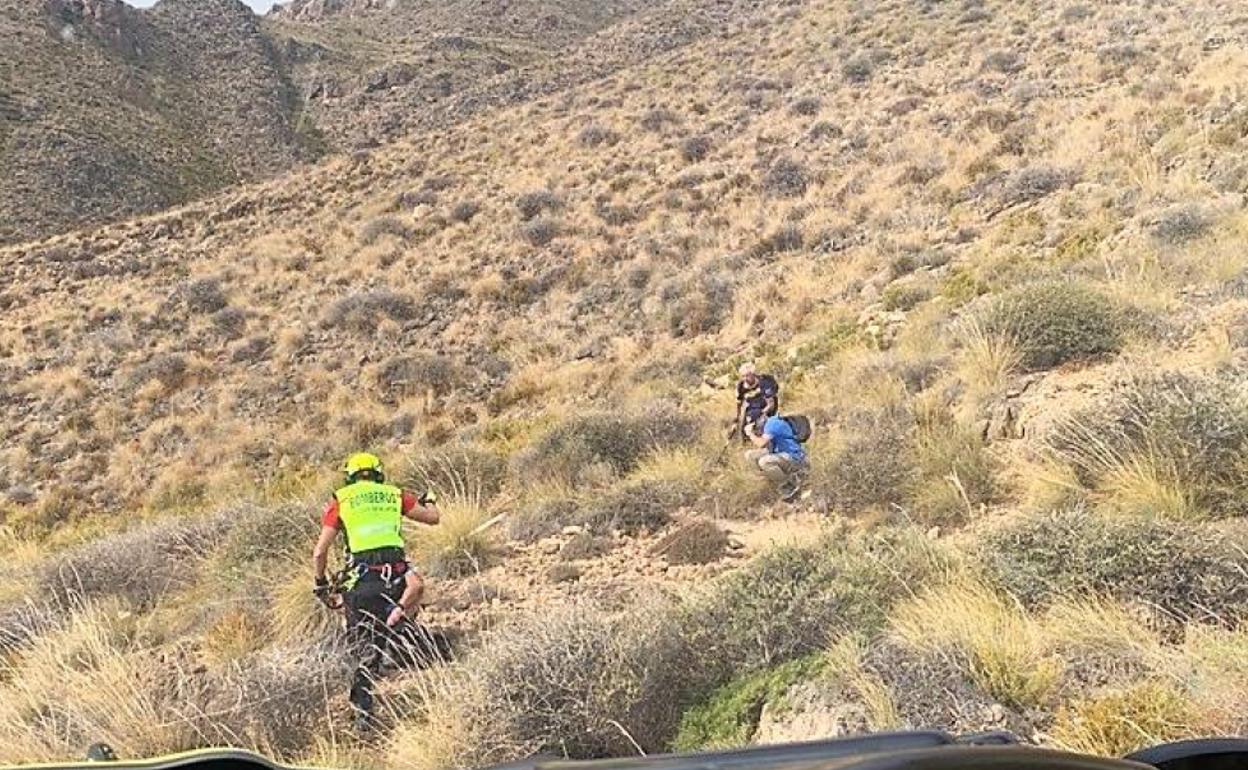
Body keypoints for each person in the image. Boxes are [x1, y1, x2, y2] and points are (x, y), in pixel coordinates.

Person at [313, 452, 440, 730]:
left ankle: (364, 716)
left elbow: (320, 552)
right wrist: (430, 499)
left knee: (362, 649)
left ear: (350, 476)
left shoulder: (342, 499)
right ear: (378, 473)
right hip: (397, 577)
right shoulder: (394, 494)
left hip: (362, 582)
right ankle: (418, 655)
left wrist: (321, 583)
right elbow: (433, 518)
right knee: (402, 615)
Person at [746, 414, 808, 503]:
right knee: (750, 455)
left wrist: (750, 434)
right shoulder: (771, 422)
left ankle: (788, 486)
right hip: (781, 453)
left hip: (794, 457)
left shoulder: (771, 425)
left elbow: (761, 443)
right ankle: (770, 479)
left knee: (764, 462)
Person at [732, 363, 780, 442]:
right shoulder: (741, 386)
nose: (745, 378)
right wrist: (737, 419)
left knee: (761, 425)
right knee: (743, 430)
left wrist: (760, 416)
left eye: (747, 376)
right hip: (751, 410)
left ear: (753, 374)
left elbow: (771, 404)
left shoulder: (764, 382)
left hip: (765, 410)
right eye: (743, 376)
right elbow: (739, 404)